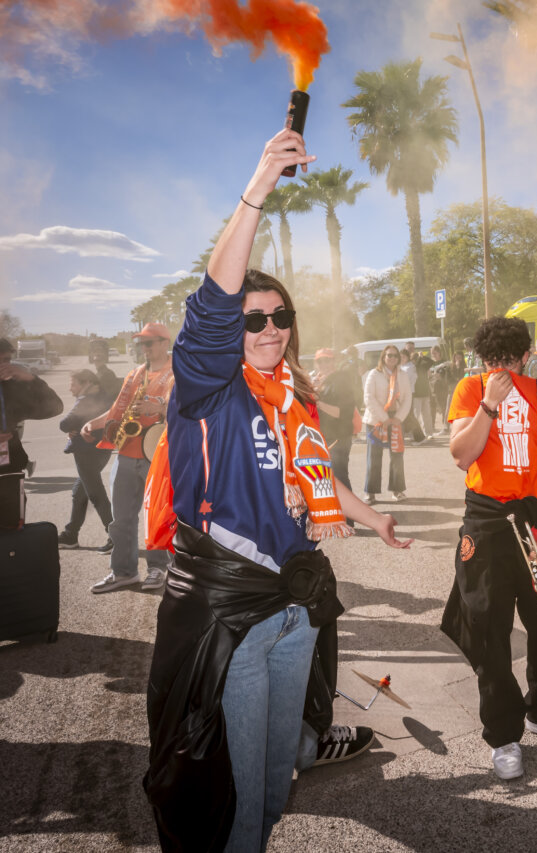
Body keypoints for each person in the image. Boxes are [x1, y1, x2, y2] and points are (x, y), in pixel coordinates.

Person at [142, 128, 409, 852]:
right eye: (251, 318)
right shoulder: (209, 387)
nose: (267, 329)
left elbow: (319, 478)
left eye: (280, 316)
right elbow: (208, 310)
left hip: (297, 610)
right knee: (228, 803)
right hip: (234, 618)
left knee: (271, 789)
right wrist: (257, 191)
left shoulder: (295, 396)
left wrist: (372, 515)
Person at [443, 316, 537, 781]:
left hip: (534, 515)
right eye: (492, 360)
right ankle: (503, 733)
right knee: (489, 628)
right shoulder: (469, 389)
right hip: (484, 520)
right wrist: (489, 404)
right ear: (482, 360)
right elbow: (463, 455)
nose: (501, 367)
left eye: (509, 358)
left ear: (526, 357)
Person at [81, 323, 174, 593]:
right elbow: (117, 408)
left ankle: (159, 568)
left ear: (163, 343)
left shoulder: (177, 372)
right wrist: (95, 423)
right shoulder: (136, 374)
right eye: (141, 344)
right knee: (120, 518)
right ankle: (123, 572)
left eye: (149, 343)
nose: (143, 348)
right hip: (125, 453)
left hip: (157, 454)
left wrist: (161, 407)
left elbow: (190, 407)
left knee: (156, 517)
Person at [57, 370, 114, 551]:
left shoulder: (86, 399)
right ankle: (70, 534)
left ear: (87, 383)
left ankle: (115, 535)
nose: (70, 388)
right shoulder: (103, 395)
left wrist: (72, 426)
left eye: (74, 384)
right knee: (79, 492)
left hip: (86, 453)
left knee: (96, 494)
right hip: (102, 450)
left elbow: (64, 423)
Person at [0, 338, 63, 482]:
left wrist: (31, 379)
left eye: (7, 360)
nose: (3, 366)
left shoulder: (12, 388)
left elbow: (55, 407)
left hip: (10, 470)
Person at [363, 344, 410, 503]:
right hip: (376, 420)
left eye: (395, 356)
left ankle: (397, 490)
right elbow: (369, 398)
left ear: (399, 358)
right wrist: (384, 419)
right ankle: (371, 492)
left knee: (397, 456)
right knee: (374, 457)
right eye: (389, 355)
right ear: (383, 357)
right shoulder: (374, 374)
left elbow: (407, 399)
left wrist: (398, 418)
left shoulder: (402, 375)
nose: (392, 358)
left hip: (396, 419)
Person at [311, 348, 359, 490]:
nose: (324, 364)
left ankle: (350, 512)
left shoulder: (341, 380)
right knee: (326, 476)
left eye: (327, 360)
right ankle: (337, 509)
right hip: (324, 435)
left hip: (338, 436)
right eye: (320, 361)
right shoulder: (318, 380)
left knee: (339, 476)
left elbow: (341, 412)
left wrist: (317, 401)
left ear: (334, 361)